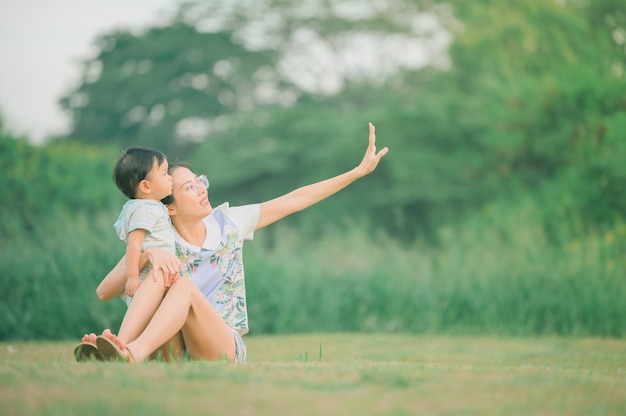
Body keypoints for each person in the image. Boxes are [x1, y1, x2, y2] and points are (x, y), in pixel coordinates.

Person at [76, 123, 388, 364]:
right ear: (169, 206)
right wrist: (148, 255)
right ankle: (120, 349)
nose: (201, 189)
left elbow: (295, 199)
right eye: (189, 187)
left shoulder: (229, 224)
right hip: (171, 345)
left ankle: (128, 353)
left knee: (183, 286)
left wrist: (357, 172)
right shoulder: (158, 236)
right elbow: (105, 291)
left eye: (200, 181)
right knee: (163, 278)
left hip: (220, 344)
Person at [74, 147, 178, 361]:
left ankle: (109, 350)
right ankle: (119, 344)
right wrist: (132, 276)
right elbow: (134, 244)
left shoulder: (148, 206)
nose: (171, 179)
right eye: (165, 173)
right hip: (149, 279)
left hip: (152, 280)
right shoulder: (145, 209)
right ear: (146, 186)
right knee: (146, 314)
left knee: (147, 323)